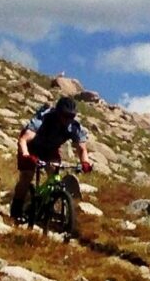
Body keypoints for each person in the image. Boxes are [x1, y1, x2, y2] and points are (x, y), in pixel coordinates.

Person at [11, 93, 94, 225]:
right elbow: (23, 140)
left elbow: (82, 149)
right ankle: (16, 210)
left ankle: (50, 205)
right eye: (65, 115)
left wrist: (85, 163)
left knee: (55, 175)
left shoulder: (74, 127)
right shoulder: (43, 119)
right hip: (30, 147)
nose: (68, 119)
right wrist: (26, 155)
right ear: (58, 112)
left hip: (49, 149)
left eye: (71, 116)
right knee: (27, 176)